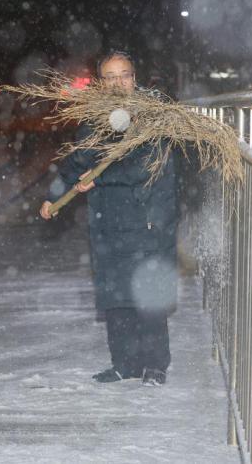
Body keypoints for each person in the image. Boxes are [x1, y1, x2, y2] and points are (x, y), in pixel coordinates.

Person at [40, 51, 178, 386]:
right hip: (108, 220)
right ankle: (124, 364)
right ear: (101, 83)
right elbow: (77, 162)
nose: (118, 82)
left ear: (134, 78)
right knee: (116, 295)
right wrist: (53, 196)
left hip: (145, 217)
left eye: (124, 75)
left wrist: (99, 177)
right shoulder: (94, 119)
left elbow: (144, 166)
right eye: (110, 77)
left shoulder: (152, 116)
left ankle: (154, 364)